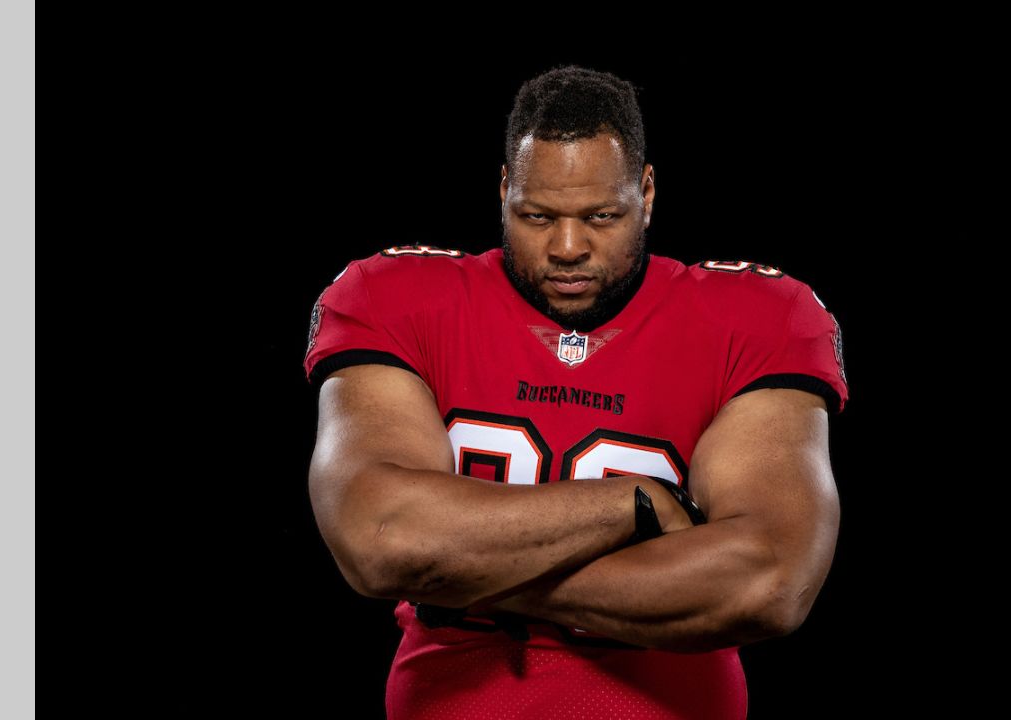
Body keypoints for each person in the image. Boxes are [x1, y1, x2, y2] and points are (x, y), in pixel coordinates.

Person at [302, 64, 848, 720]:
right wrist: (633, 504)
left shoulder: (755, 316)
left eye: (601, 216)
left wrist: (466, 577)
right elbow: (384, 537)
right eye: (537, 216)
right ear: (504, 189)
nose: (567, 247)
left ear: (646, 194)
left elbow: (767, 582)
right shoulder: (396, 298)